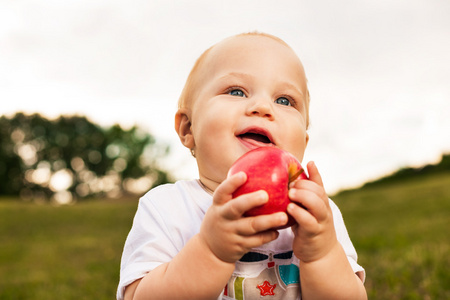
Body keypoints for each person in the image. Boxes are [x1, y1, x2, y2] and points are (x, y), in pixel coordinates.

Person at [117, 32, 367, 300]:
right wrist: (210, 251)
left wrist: (322, 253)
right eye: (236, 91)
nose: (262, 106)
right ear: (188, 128)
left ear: (303, 142)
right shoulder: (167, 207)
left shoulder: (315, 215)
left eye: (284, 100)